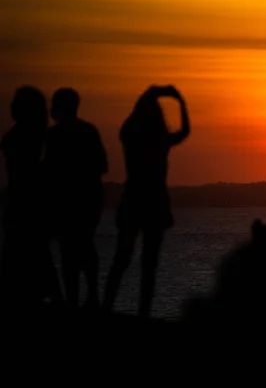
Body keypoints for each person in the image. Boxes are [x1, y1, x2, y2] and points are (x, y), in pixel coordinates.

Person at [102, 85, 191, 318]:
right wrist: (179, 101)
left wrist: (151, 94)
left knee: (122, 259)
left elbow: (182, 132)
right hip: (153, 203)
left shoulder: (131, 136)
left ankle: (106, 307)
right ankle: (143, 313)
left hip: (135, 200)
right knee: (147, 264)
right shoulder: (160, 142)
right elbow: (184, 131)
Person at [44, 88, 108, 311]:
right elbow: (102, 165)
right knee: (79, 247)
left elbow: (49, 172)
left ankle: (80, 298)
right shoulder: (86, 131)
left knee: (72, 249)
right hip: (83, 200)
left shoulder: (56, 136)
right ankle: (87, 296)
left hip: (76, 201)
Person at [0, 86, 62, 311]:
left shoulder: (22, 136)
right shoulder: (37, 136)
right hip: (29, 201)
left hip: (23, 201)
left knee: (25, 250)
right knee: (34, 251)